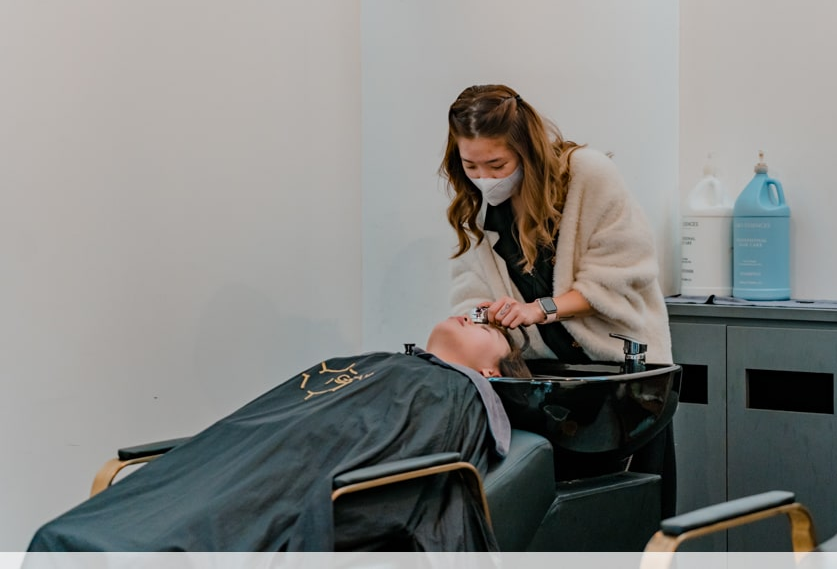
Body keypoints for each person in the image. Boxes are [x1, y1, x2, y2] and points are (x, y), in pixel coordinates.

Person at [27, 317, 529, 553]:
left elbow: (389, 478)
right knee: (67, 538)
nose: (471, 313)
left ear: (489, 373)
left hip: (277, 489)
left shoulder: (451, 392)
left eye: (486, 328)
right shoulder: (376, 364)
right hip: (227, 464)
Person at [440, 84, 672, 365]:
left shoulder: (588, 176)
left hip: (618, 365)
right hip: (541, 372)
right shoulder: (474, 210)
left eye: (497, 165)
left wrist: (539, 309)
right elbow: (469, 298)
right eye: (471, 166)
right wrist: (486, 315)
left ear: (527, 151)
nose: (484, 177)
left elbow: (618, 279)